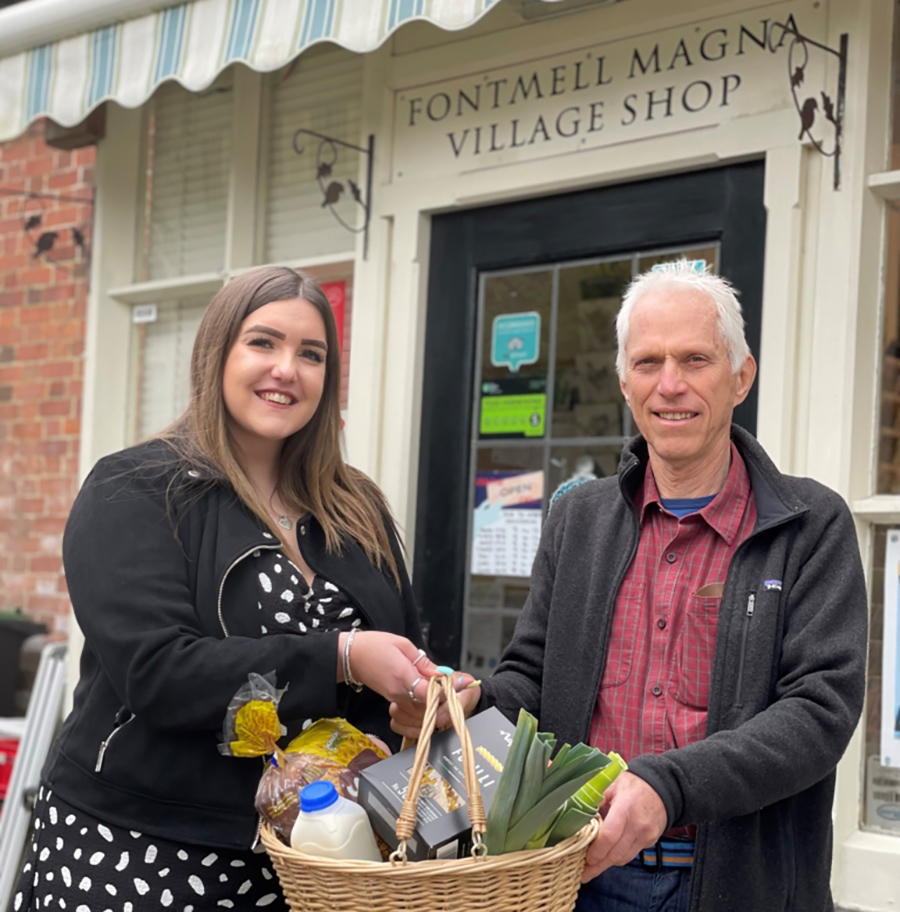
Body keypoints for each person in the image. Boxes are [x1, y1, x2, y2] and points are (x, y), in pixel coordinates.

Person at [392, 261, 868, 912]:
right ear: (624, 382)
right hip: (578, 877)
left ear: (741, 376)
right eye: (648, 363)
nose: (670, 384)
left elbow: (819, 713)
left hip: (737, 884)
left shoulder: (810, 525)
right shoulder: (577, 519)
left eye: (695, 359)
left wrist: (669, 787)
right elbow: (532, 680)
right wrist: (471, 705)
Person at [13, 266, 443, 912]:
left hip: (318, 862)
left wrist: (424, 693)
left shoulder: (356, 507)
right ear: (216, 354)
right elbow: (157, 671)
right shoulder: (135, 489)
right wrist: (343, 656)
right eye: (263, 343)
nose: (286, 369)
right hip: (143, 851)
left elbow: (399, 653)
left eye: (311, 354)